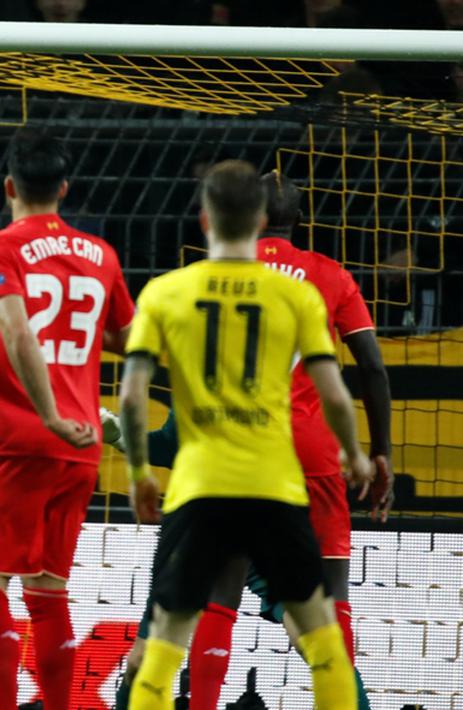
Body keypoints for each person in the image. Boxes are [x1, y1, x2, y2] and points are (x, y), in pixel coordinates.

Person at [111, 171, 393, 709]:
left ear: (204, 219)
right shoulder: (306, 288)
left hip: (208, 467)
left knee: (179, 621)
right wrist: (359, 454)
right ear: (268, 220)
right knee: (323, 620)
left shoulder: (172, 288)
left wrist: (140, 472)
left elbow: (131, 394)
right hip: (286, 468)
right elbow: (344, 386)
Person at [0, 127, 134, 710]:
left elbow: (16, 330)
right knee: (48, 591)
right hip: (81, 445)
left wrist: (49, 413)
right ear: (65, 187)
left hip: (16, 438)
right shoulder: (101, 255)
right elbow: (126, 337)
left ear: (9, 186)